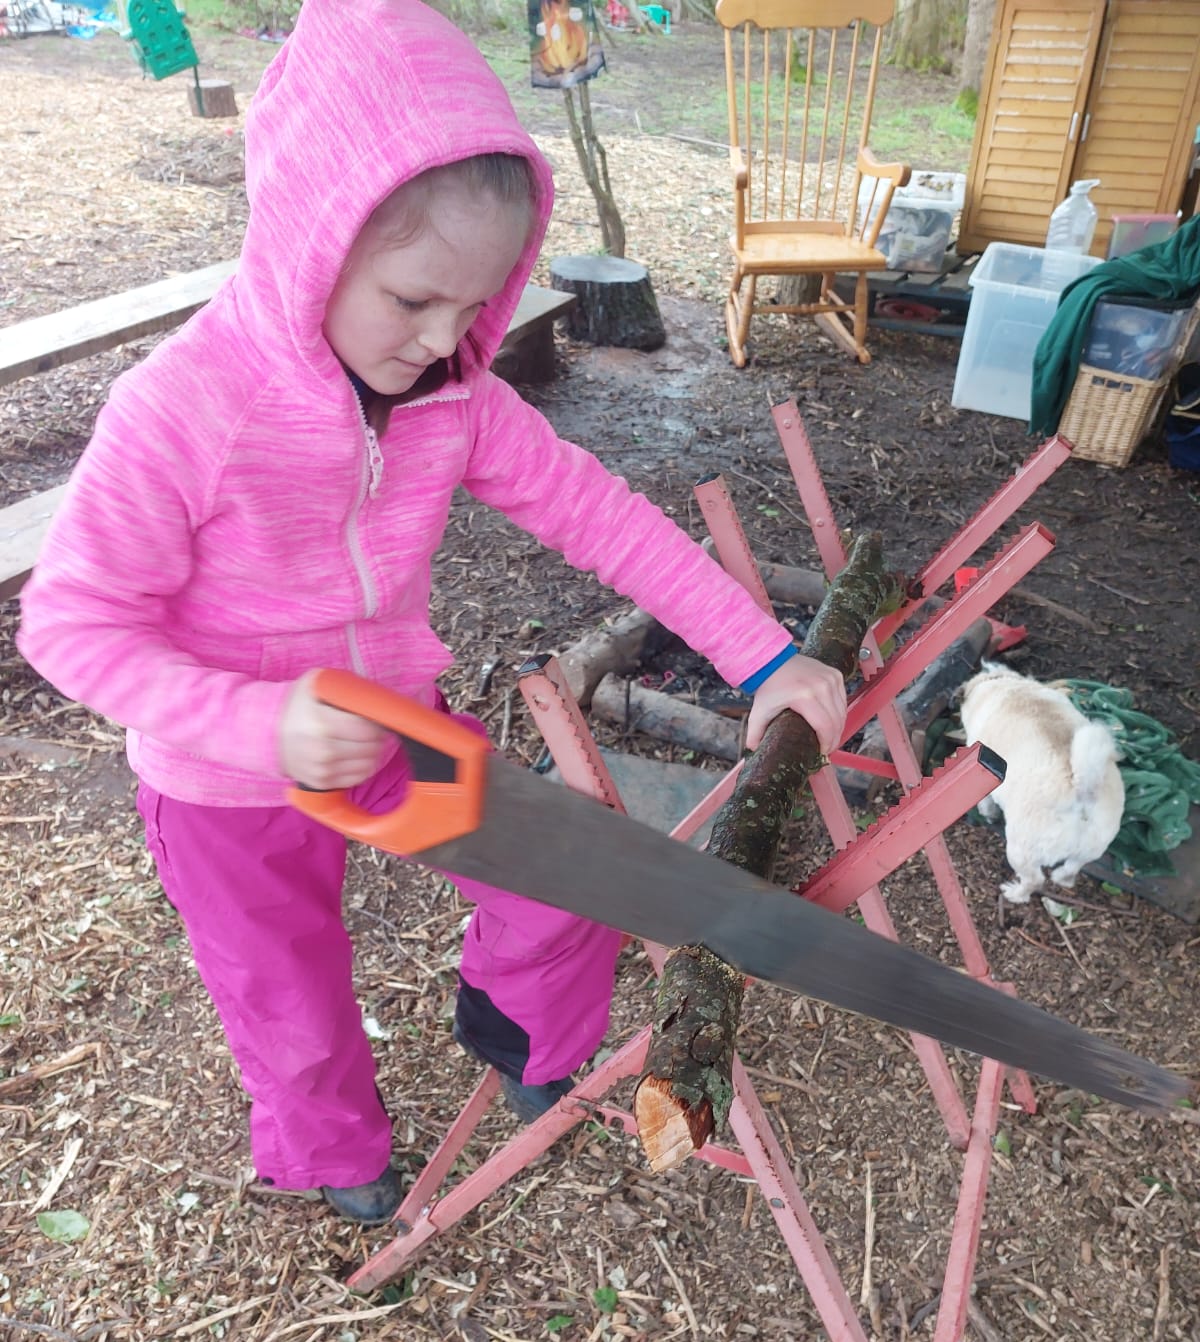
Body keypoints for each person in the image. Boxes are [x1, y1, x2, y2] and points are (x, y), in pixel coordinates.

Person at [17, 0, 847, 1225]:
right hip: (218, 779)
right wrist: (254, 722)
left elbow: (601, 514)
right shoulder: (184, 407)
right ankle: (329, 1148)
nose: (449, 340)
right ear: (312, 236)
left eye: (478, 307)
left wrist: (760, 649)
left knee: (566, 885)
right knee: (287, 995)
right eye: (414, 300)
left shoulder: (449, 393)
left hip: (390, 728)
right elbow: (71, 624)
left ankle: (518, 1034)